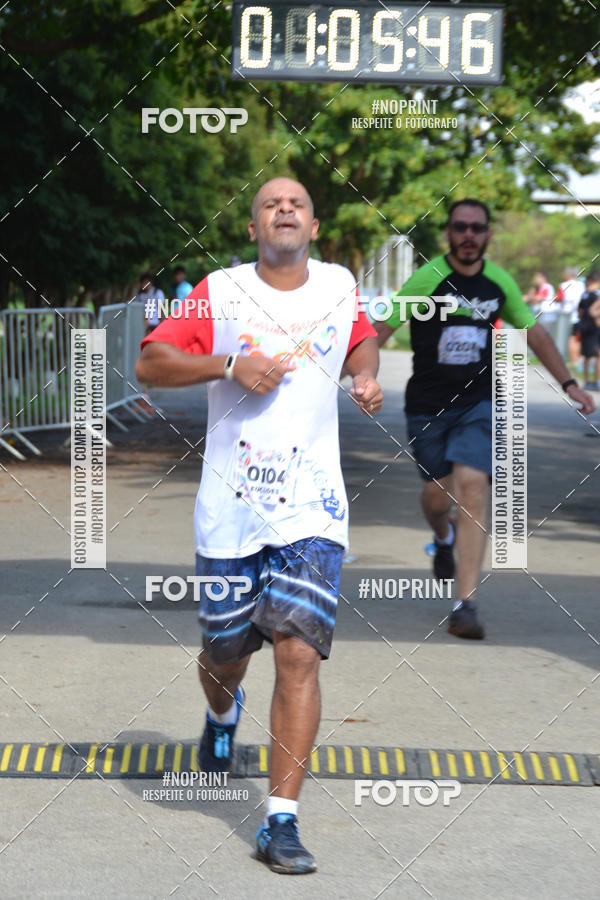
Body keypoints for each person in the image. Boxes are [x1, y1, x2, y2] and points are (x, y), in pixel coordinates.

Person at [135, 177, 382, 874]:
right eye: (270, 204)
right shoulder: (220, 291)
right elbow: (149, 361)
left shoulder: (338, 285)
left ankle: (281, 822)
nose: (284, 209)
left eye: (296, 203)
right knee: (225, 654)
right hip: (232, 509)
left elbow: (361, 340)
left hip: (312, 508)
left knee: (299, 653)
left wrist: (364, 376)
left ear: (313, 225)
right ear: (253, 228)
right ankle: (221, 714)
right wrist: (229, 365)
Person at [374, 199, 595, 640]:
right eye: (461, 227)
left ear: (488, 234)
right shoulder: (428, 279)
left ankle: (465, 604)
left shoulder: (498, 283)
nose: (469, 235)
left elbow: (535, 334)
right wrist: (355, 373)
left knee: (473, 487)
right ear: (449, 233)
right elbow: (381, 329)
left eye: (477, 228)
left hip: (480, 403)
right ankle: (442, 536)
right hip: (427, 406)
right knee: (437, 496)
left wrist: (570, 383)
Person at [556, 267, 585, 366]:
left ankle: (565, 359)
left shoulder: (563, 285)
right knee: (578, 338)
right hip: (580, 315)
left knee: (565, 338)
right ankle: (577, 361)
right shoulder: (581, 284)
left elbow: (559, 298)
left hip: (566, 314)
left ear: (568, 274)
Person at [577, 271, 600, 390]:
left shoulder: (584, 295)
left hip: (584, 328)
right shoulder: (596, 296)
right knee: (597, 356)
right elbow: (593, 312)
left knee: (586, 356)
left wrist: (583, 321)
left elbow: (579, 311)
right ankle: (595, 381)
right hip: (595, 329)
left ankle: (587, 382)